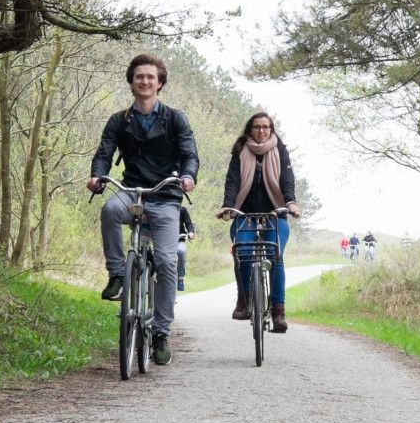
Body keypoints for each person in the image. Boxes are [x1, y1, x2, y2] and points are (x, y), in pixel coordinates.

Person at [88, 53, 198, 366]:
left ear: (159, 83)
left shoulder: (175, 119)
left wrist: (188, 176)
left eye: (151, 77)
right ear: (132, 82)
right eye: (139, 77)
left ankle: (161, 332)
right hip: (132, 191)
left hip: (165, 195)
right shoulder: (119, 120)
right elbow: (103, 153)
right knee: (110, 210)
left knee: (166, 262)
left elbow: (190, 154)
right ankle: (118, 274)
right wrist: (97, 176)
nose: (145, 81)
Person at [217, 112, 300, 333]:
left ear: (271, 129)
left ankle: (278, 310)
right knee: (242, 253)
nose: (261, 131)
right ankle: (244, 300)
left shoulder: (279, 149)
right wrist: (227, 205)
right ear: (250, 129)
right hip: (245, 214)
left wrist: (290, 202)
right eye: (257, 127)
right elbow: (232, 180)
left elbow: (287, 179)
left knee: (276, 257)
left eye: (266, 127)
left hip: (275, 214)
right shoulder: (240, 150)